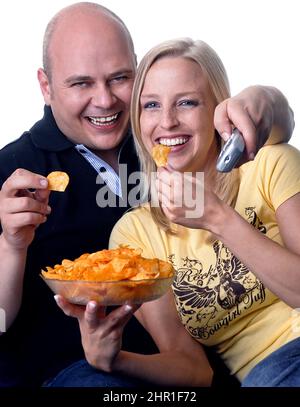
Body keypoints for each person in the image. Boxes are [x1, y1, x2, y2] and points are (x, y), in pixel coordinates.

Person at [0, 2, 295, 387]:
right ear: (46, 86)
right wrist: (11, 246)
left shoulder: (168, 141)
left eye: (120, 78)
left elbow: (268, 130)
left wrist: (267, 97)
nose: (105, 101)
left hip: (213, 367)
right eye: (81, 83)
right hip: (82, 368)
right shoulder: (15, 171)